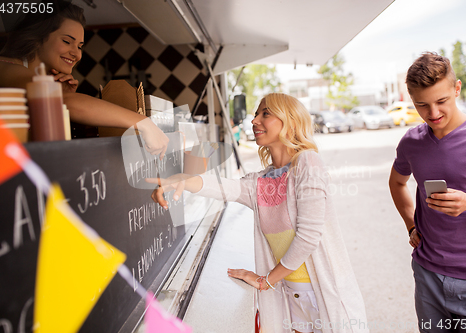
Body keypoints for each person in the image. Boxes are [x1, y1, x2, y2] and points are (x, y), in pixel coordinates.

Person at [148, 93, 368, 333]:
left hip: (322, 295)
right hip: (291, 297)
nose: (254, 121)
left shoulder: (308, 162)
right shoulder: (262, 181)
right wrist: (181, 180)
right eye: (255, 114)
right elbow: (226, 187)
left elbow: (308, 237)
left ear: (291, 121)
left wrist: (266, 280)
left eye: (266, 113)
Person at [389, 52, 466, 332]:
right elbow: (397, 183)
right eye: (422, 105)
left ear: (456, 89)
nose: (433, 114)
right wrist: (411, 225)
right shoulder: (411, 142)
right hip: (428, 276)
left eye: (442, 101)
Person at [0, 1, 168, 157]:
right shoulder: (1, 66)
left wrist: (61, 99)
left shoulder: (36, 77)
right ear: (38, 37)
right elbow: (66, 102)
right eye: (67, 41)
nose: (76, 53)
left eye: (80, 46)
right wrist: (143, 123)